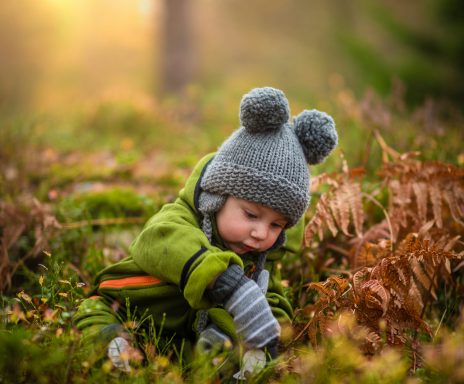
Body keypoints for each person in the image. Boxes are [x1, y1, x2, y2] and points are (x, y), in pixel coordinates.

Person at [73, 87, 338, 373]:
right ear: (217, 197)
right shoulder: (179, 220)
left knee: (232, 349)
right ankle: (112, 348)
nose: (261, 233)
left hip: (178, 340)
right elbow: (159, 240)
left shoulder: (259, 261)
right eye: (251, 215)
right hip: (125, 306)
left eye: (276, 225)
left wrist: (266, 333)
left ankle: (218, 357)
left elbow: (272, 299)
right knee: (98, 318)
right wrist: (225, 281)